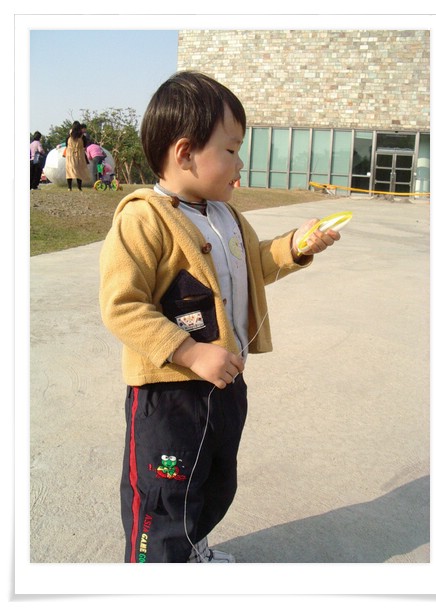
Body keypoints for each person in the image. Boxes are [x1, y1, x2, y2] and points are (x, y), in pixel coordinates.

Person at [99, 71, 341, 564]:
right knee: (164, 494)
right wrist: (190, 352)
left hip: (225, 382)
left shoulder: (227, 217)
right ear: (185, 152)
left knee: (213, 480)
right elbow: (122, 305)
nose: (240, 162)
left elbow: (253, 266)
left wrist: (296, 246)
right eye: (230, 149)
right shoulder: (144, 219)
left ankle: (194, 549)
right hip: (170, 393)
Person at [65, 121, 89, 191]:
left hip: (70, 154)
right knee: (79, 170)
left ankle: (69, 187)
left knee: (69, 170)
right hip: (79, 154)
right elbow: (85, 144)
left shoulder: (69, 134)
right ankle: (79, 187)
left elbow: (66, 143)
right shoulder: (82, 136)